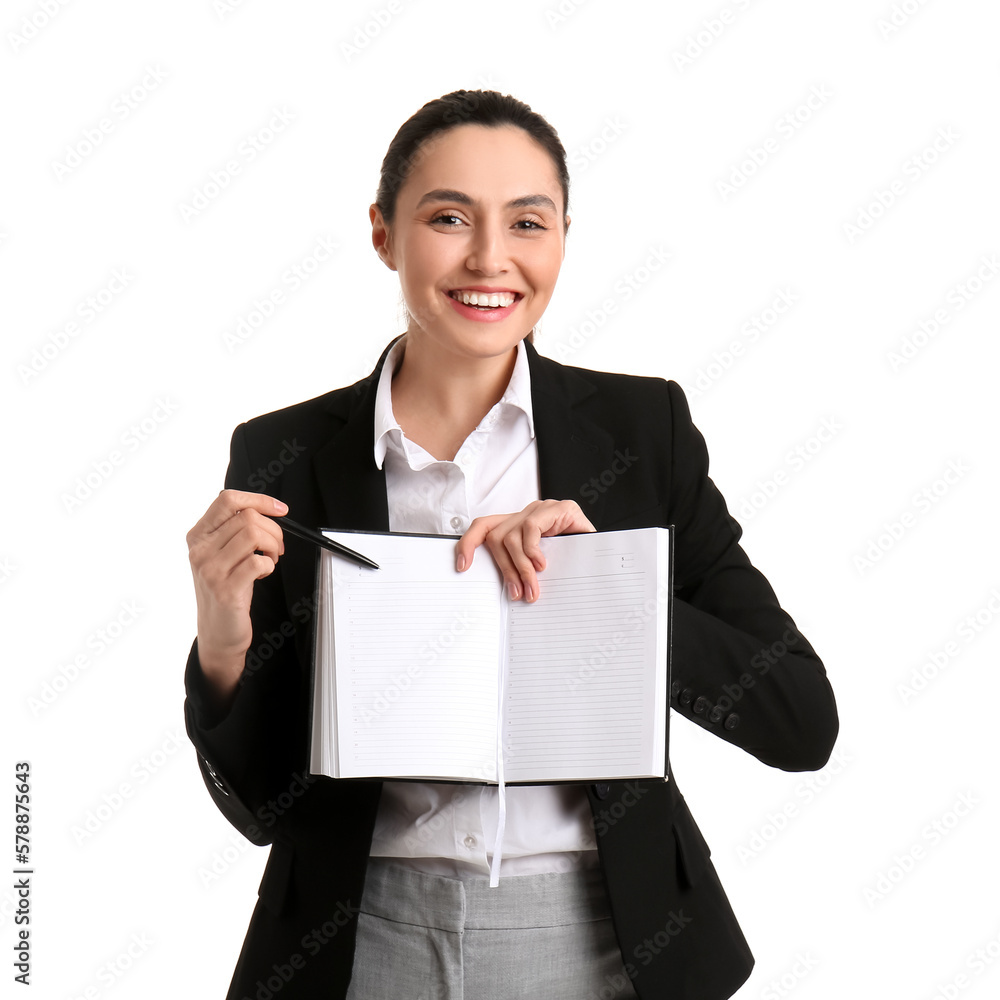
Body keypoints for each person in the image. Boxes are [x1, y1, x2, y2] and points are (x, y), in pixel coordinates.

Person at [184, 89, 839, 1000]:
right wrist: (222, 638)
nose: (490, 259)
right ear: (383, 235)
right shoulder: (282, 453)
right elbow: (260, 807)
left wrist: (603, 585)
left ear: (564, 236)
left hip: (605, 939)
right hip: (359, 936)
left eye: (528, 222)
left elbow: (801, 722)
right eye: (448, 217)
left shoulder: (642, 430)